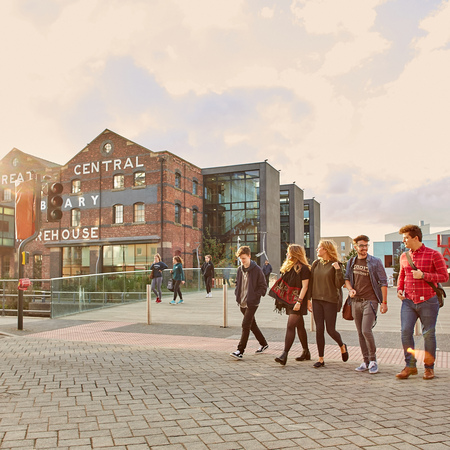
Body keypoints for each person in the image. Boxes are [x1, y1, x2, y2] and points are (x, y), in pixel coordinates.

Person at [396, 224, 449, 380]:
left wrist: (424, 275)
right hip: (408, 302)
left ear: (415, 238)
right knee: (405, 332)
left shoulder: (434, 255)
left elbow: (444, 277)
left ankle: (429, 368)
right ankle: (410, 366)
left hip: (428, 301)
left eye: (406, 238)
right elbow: (402, 275)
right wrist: (400, 289)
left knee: (428, 335)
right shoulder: (404, 256)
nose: (404, 241)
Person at [344, 235, 388, 374]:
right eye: (361, 245)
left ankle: (373, 361)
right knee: (360, 333)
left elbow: (383, 282)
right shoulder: (351, 262)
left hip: (371, 301)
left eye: (366, 245)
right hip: (356, 301)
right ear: (355, 247)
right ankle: (365, 361)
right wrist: (350, 289)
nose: (364, 248)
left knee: (366, 331)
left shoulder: (375, 262)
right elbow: (346, 279)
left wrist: (384, 302)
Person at [308, 239, 348, 368]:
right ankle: (320, 359)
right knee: (319, 329)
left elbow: (339, 284)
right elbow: (311, 283)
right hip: (317, 300)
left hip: (330, 300)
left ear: (325, 249)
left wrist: (337, 270)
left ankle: (342, 345)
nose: (317, 250)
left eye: (319, 248)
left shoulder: (336, 264)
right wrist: (308, 299)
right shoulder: (315, 264)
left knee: (330, 330)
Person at [273, 244, 311, 366]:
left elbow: (305, 287)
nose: (287, 254)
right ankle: (306, 351)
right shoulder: (290, 267)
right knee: (300, 326)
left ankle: (284, 354)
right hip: (290, 300)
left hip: (298, 301)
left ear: (294, 253)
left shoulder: (304, 268)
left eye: (289, 252)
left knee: (290, 326)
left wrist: (299, 302)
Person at [230, 246, 268, 359]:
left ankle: (240, 351)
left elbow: (263, 286)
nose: (242, 261)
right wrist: (237, 293)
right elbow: (237, 283)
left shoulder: (257, 270)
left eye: (244, 258)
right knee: (252, 325)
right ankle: (264, 344)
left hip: (252, 303)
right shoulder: (239, 269)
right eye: (241, 258)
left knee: (245, 325)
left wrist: (255, 296)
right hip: (242, 303)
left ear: (249, 256)